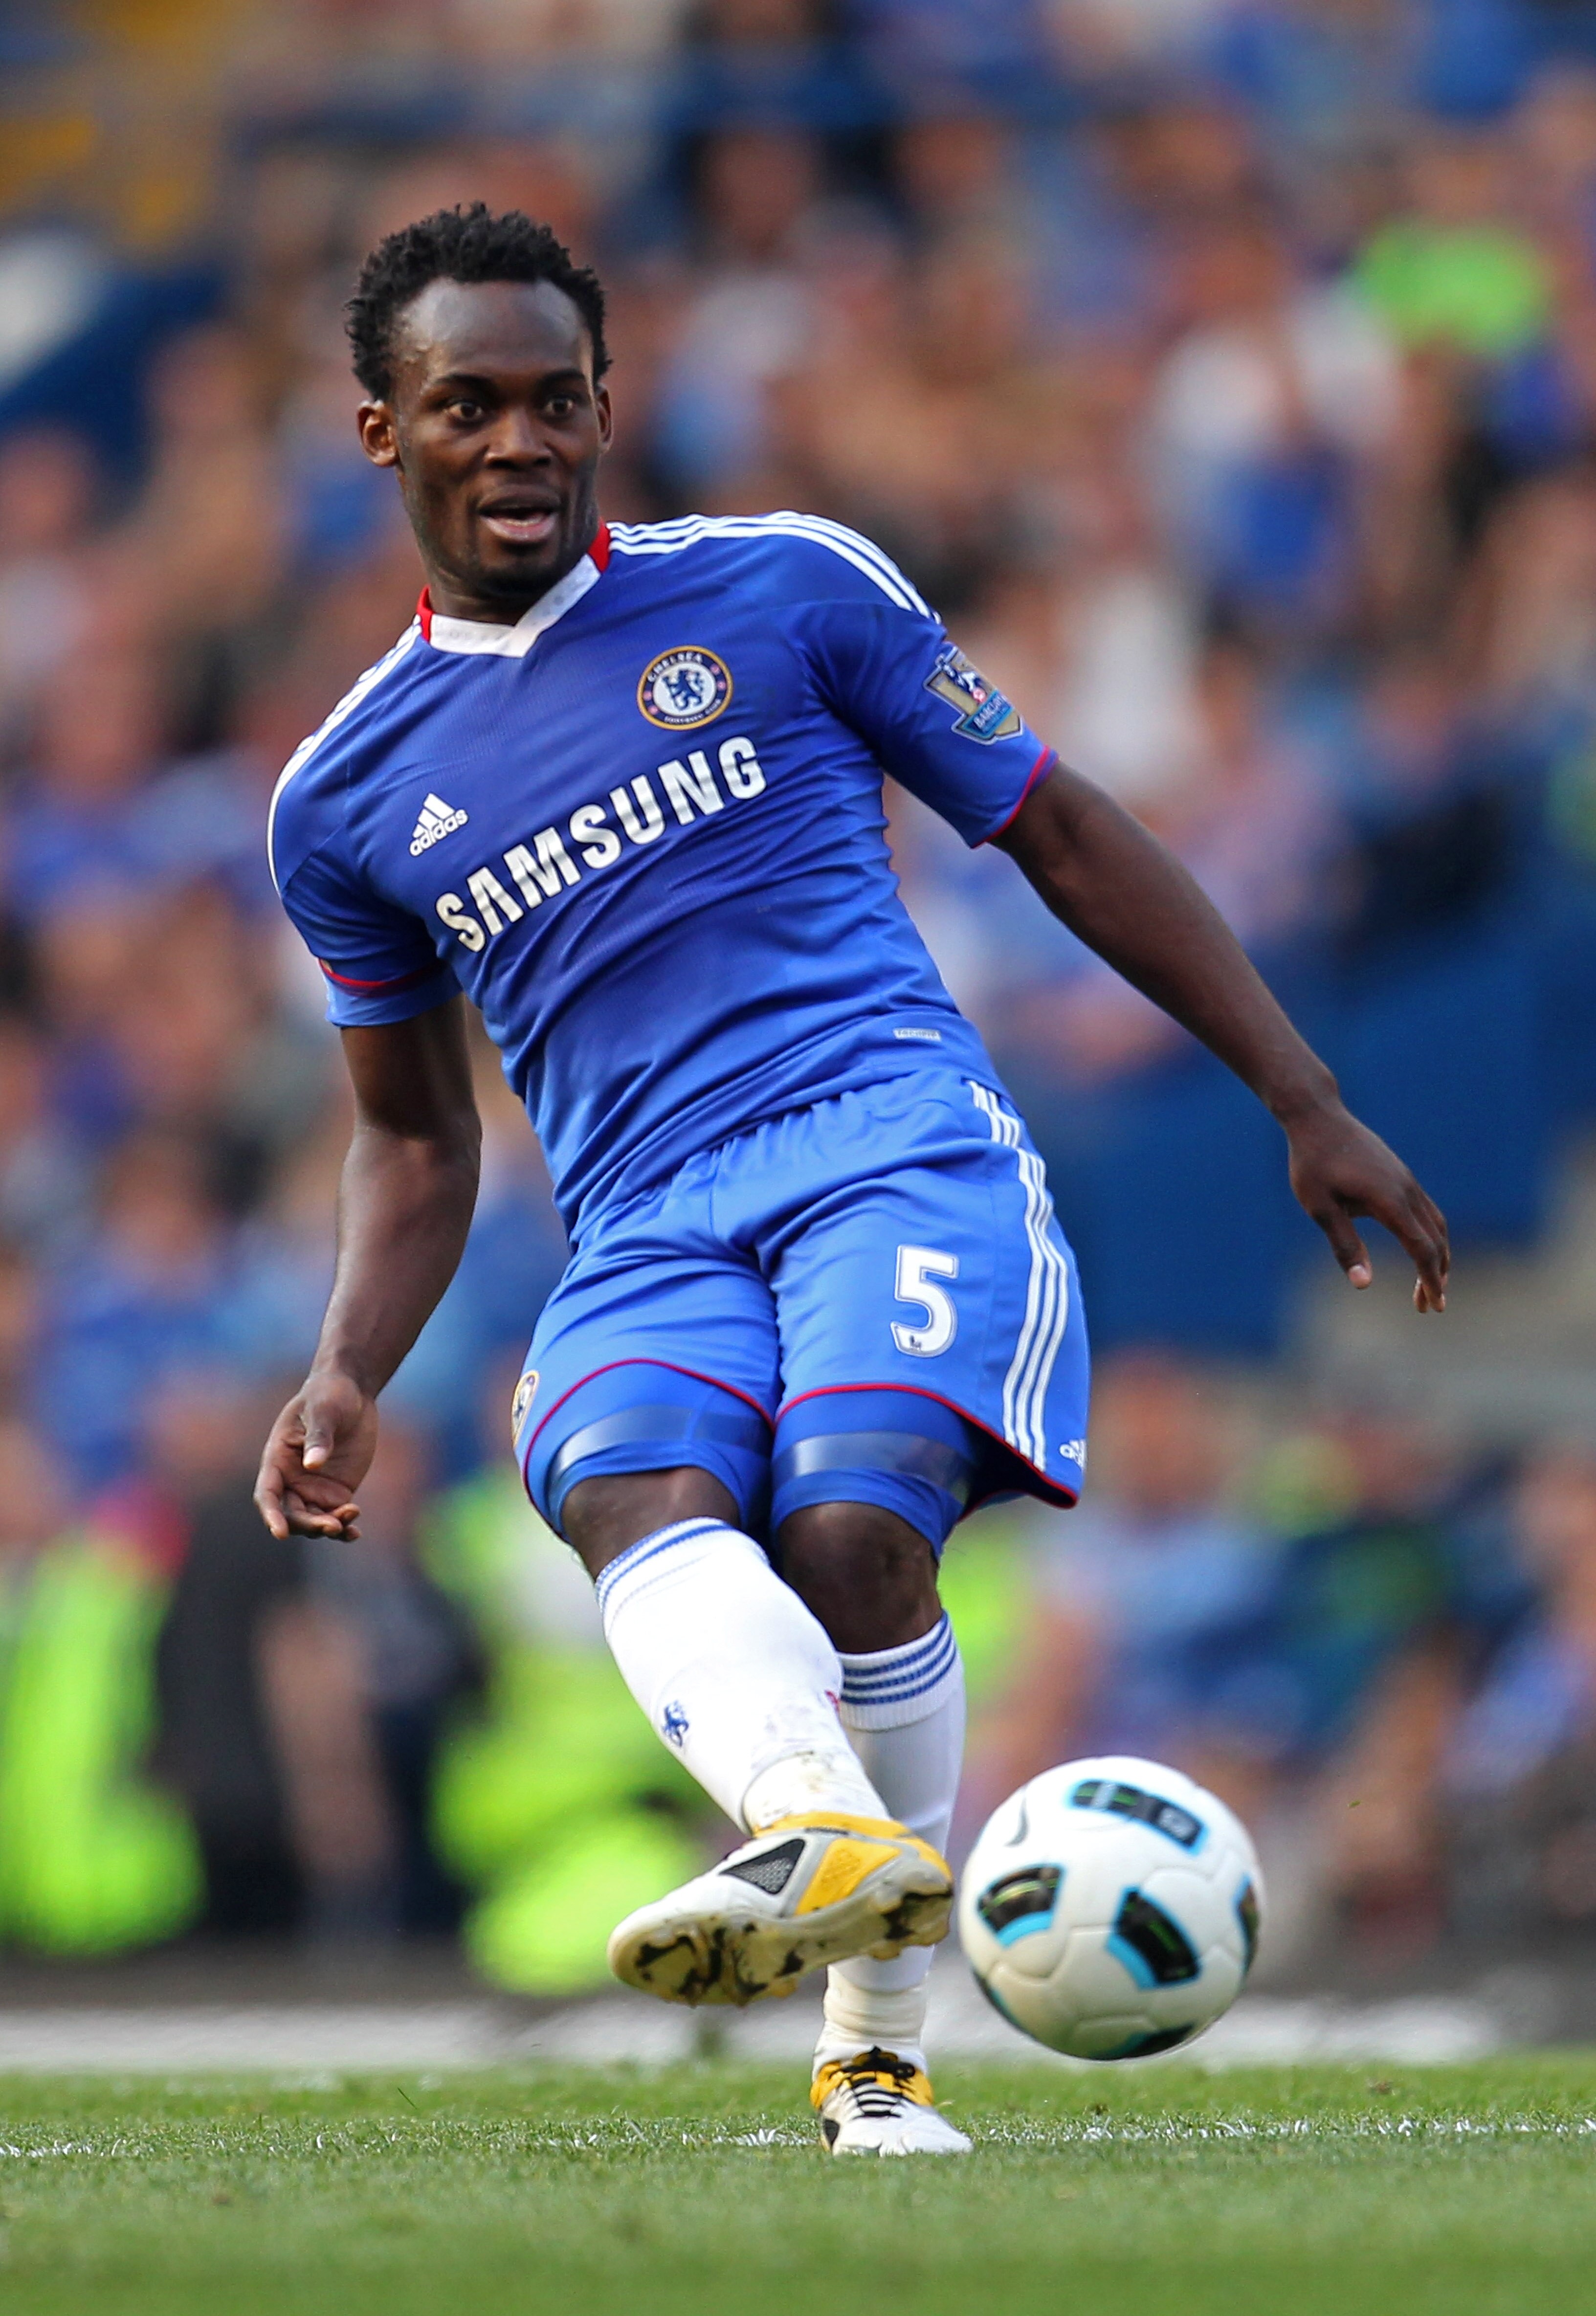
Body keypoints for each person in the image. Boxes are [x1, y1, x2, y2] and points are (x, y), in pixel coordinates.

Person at [254, 204, 1449, 2157]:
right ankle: (819, 1828)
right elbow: (414, 1133)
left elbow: (1057, 827)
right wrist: (346, 1364)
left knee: (849, 1523)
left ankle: (870, 2048)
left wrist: (1301, 1094)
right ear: (386, 429)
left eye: (557, 398)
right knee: (618, 1474)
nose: (520, 440)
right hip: (640, 1217)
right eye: (468, 404)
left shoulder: (789, 586)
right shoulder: (344, 793)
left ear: (608, 406)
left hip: (885, 1136)